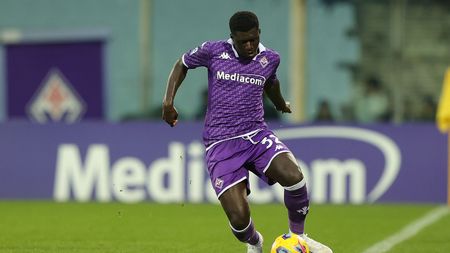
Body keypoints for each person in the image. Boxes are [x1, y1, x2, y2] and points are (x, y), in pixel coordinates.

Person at [162, 11, 332, 253]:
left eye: (253, 39)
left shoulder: (270, 58)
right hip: (220, 143)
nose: (249, 45)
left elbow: (271, 82)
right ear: (232, 38)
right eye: (243, 42)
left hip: (256, 135)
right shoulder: (213, 51)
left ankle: (299, 237)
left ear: (259, 33)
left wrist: (280, 103)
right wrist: (168, 102)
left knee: (294, 177)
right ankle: (255, 243)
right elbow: (182, 64)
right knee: (239, 219)